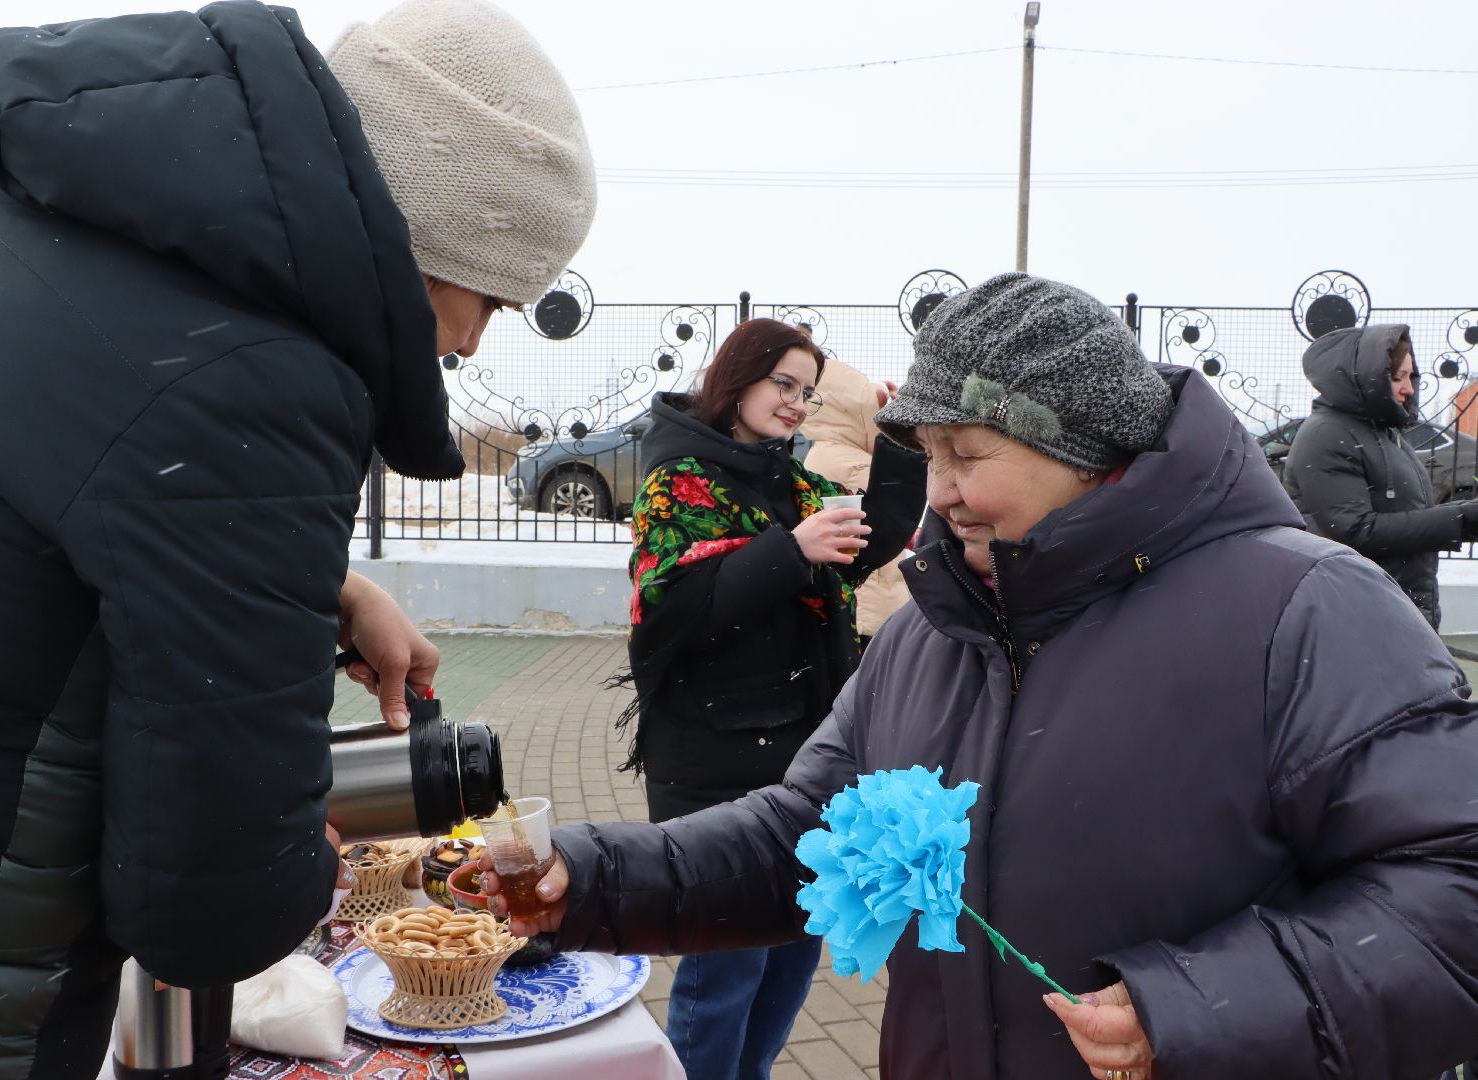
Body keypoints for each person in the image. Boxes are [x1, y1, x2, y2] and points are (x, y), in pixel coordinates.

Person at [484, 274, 1478, 1079]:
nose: (942, 494)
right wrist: (598, 877)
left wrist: (1201, 1010)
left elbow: (1450, 897)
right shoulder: (933, 635)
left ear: (1086, 451)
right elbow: (807, 838)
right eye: (928, 455)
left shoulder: (1306, 611)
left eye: (969, 454)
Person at [0, 0, 595, 1075]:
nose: (472, 339)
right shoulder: (262, 374)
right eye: (489, 296)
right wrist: (302, 850)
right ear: (427, 230)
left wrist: (325, 589)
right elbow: (204, 906)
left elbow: (48, 484)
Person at [619, 317, 924, 1079]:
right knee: (727, 967)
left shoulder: (786, 476)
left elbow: (869, 536)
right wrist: (791, 551)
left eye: (808, 393)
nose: (795, 404)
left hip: (800, 750)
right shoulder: (678, 478)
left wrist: (901, 444)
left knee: (793, 945)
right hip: (714, 756)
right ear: (739, 378)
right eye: (783, 384)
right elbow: (672, 614)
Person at [1283, 324, 1478, 629]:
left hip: (1394, 605)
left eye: (1411, 377)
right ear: (1363, 377)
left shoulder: (1386, 435)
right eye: (1396, 377)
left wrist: (1465, 520)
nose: (1409, 388)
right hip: (1357, 612)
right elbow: (1356, 530)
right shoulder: (1328, 434)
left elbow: (1407, 516)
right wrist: (1461, 519)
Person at [801, 356, 915, 643]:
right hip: (868, 608)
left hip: (864, 602)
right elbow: (883, 526)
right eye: (878, 405)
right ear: (856, 413)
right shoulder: (853, 465)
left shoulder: (829, 453)